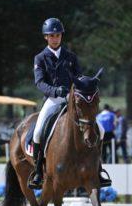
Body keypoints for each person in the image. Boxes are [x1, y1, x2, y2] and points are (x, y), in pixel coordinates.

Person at [30, 17, 111, 189]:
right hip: (52, 99)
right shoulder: (40, 58)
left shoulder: (71, 57)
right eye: (51, 35)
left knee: (101, 130)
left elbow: (79, 77)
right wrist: (54, 91)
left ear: (61, 36)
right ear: (46, 37)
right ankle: (38, 171)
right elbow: (39, 82)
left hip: (73, 99)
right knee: (37, 132)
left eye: (58, 35)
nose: (55, 38)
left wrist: (88, 82)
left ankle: (99, 169)